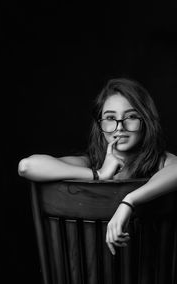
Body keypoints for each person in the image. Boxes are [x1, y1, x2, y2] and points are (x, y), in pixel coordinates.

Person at [18, 77, 177, 255]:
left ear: (146, 121)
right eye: (110, 118)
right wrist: (99, 175)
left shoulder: (160, 161)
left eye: (131, 116)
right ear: (100, 124)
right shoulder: (91, 162)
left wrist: (129, 201)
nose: (120, 127)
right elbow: (26, 166)